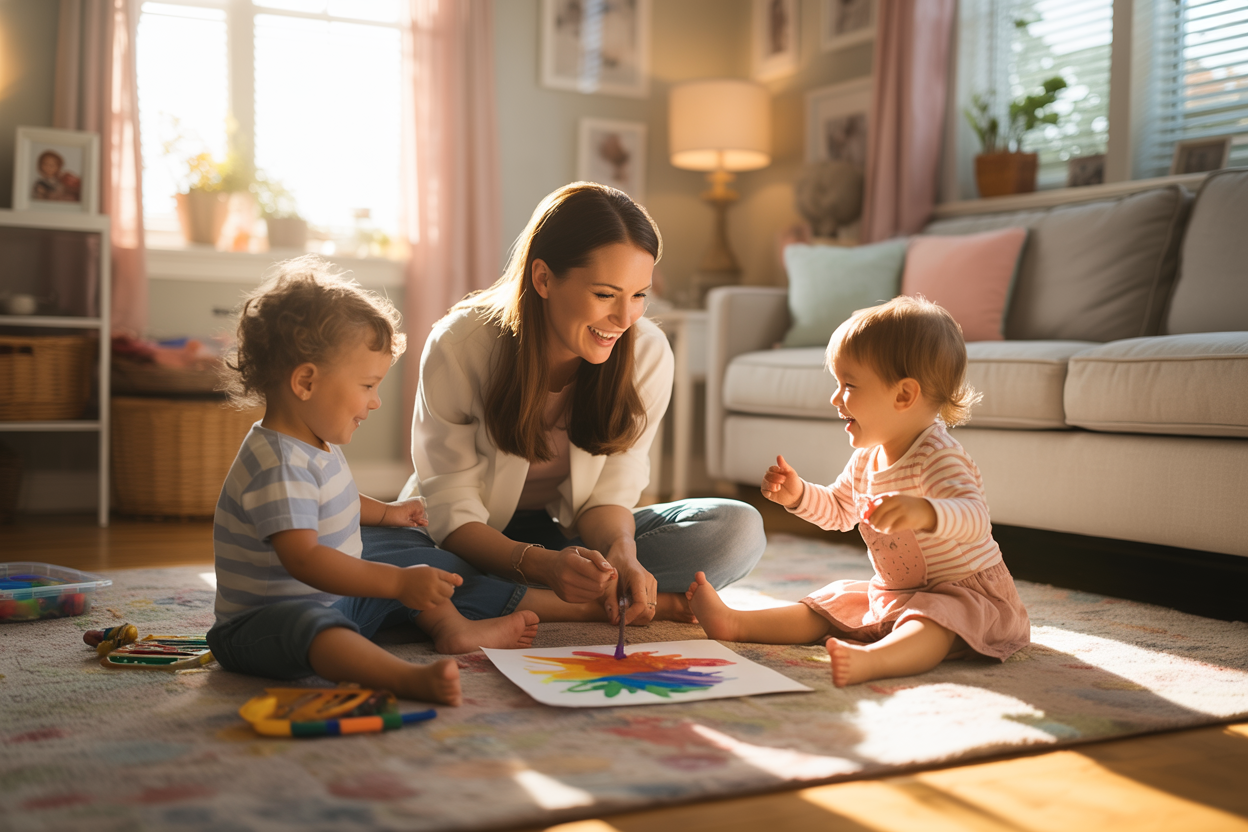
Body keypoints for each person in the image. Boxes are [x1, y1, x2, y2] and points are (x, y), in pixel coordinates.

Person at [364, 182, 766, 627]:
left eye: (638, 295)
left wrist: (621, 552)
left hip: (566, 540)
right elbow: (451, 509)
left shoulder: (647, 353)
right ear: (543, 279)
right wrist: (540, 566)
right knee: (375, 558)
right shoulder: (460, 345)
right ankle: (585, 604)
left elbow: (609, 494)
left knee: (737, 531)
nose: (624, 318)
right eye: (605, 294)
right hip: (465, 539)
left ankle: (515, 598)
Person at [207, 257, 539, 705]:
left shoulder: (312, 442)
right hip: (264, 628)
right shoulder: (278, 464)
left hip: (332, 601)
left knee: (407, 573)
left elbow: (336, 498)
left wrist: (388, 514)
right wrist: (395, 584)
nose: (376, 401)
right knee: (334, 619)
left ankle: (455, 629)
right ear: (305, 381)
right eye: (367, 386)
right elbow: (304, 559)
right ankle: (403, 678)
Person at [687, 296, 1030, 687]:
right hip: (898, 593)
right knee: (833, 603)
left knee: (931, 621)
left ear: (903, 395)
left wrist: (927, 512)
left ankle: (875, 659)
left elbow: (975, 517)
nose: (836, 398)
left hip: (966, 598)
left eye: (849, 385)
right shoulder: (868, 459)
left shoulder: (938, 456)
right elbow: (838, 510)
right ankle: (736, 623)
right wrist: (799, 495)